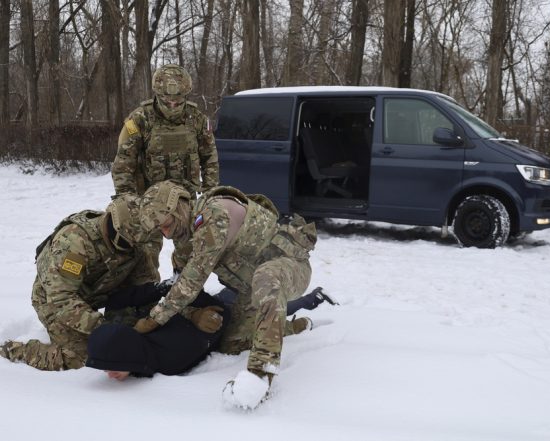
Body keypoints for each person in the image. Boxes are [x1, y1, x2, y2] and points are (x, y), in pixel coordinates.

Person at [136, 180, 318, 409]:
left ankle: (260, 377)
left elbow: (193, 278)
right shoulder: (184, 243)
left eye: (166, 224)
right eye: (159, 230)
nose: (165, 233)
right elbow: (179, 287)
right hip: (252, 290)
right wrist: (194, 314)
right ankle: (294, 327)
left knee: (265, 277)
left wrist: (154, 319)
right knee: (230, 342)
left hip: (289, 268)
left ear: (179, 207)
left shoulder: (216, 212)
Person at [0, 195, 160, 371]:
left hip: (102, 293)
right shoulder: (75, 241)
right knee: (87, 357)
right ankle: (16, 350)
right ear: (114, 226)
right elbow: (61, 298)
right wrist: (104, 328)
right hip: (54, 300)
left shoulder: (136, 238)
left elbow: (145, 284)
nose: (133, 247)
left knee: (132, 344)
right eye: (127, 242)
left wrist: (152, 317)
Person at [86, 286, 336, 380]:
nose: (109, 373)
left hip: (222, 313)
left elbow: (166, 296)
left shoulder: (169, 356)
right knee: (269, 312)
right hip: (211, 314)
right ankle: (306, 310)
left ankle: (311, 304)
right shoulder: (143, 351)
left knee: (271, 313)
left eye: (112, 365)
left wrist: (194, 314)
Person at [111, 63, 219, 272]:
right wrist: (127, 198)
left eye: (177, 102)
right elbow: (123, 163)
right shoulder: (140, 119)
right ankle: (146, 293)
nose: (172, 105)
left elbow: (210, 159)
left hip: (185, 200)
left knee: (190, 249)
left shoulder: (197, 119)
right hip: (148, 199)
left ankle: (184, 290)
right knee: (145, 254)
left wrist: (210, 194)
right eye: (167, 102)